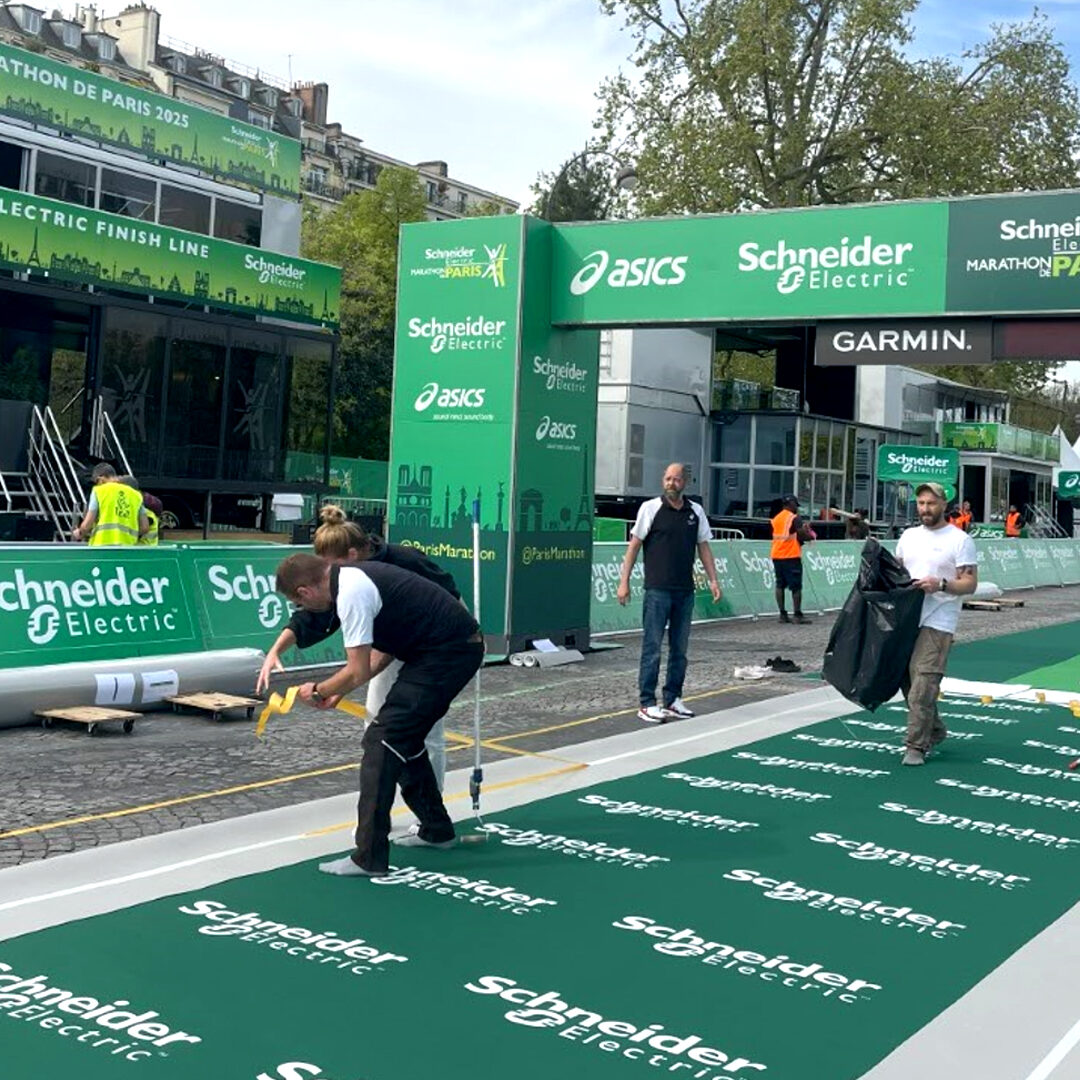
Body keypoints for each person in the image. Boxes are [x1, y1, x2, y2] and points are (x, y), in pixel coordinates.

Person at [275, 552, 483, 877]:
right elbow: (384, 649)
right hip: (437, 651)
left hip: (448, 653)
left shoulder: (350, 594)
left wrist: (319, 690)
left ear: (305, 592)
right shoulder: (353, 578)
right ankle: (436, 830)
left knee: (382, 740)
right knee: (401, 739)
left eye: (299, 603)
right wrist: (339, 690)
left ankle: (369, 857)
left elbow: (356, 669)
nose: (305, 610)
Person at [257, 505, 460, 789]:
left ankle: (430, 798)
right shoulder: (339, 577)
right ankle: (381, 798)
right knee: (376, 721)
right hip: (391, 640)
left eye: (330, 567)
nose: (327, 575)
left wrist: (327, 688)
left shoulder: (403, 562)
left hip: (436, 643)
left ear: (351, 556)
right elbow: (315, 614)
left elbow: (376, 657)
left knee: (423, 728)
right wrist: (277, 649)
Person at [616, 462, 721, 723]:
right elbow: (634, 546)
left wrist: (713, 580)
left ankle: (673, 699)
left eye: (676, 479)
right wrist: (624, 581)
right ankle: (647, 702)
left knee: (679, 650)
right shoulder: (650, 508)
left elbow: (704, 547)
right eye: (667, 479)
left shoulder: (695, 511)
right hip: (657, 590)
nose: (671, 483)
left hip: (684, 591)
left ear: (685, 482)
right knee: (652, 647)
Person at [895, 482, 978, 767]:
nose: (925, 509)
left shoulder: (960, 540)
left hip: (939, 619)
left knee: (924, 682)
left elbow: (970, 583)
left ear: (944, 504)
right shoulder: (908, 536)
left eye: (931, 503)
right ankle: (935, 729)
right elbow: (897, 571)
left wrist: (940, 584)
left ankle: (915, 746)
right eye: (921, 503)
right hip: (907, 619)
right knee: (907, 681)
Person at [72, 463, 149, 545]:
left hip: (102, 546)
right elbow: (145, 527)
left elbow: (87, 524)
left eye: (96, 482)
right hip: (128, 546)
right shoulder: (136, 495)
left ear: (100, 479)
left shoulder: (99, 491)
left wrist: (80, 533)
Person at [771, 494, 812, 624]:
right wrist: (810, 534)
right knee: (796, 586)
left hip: (777, 555)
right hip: (791, 556)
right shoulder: (794, 518)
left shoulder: (776, 518)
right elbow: (802, 535)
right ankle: (797, 615)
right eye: (795, 505)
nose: (797, 508)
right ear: (791, 504)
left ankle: (782, 615)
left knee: (780, 585)